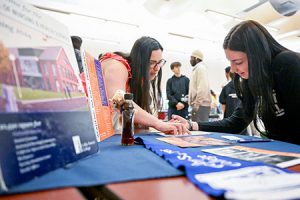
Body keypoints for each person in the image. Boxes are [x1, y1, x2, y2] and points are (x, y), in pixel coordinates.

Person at [171, 20, 300, 144]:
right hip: (281, 150)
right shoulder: (251, 79)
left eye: (238, 62)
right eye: (230, 62)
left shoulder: (287, 63)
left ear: (256, 55)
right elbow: (236, 123)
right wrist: (191, 125)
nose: (233, 69)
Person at [100, 36, 188, 135]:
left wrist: (163, 124)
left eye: (159, 62)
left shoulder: (137, 77)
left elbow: (133, 115)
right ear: (139, 60)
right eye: (151, 63)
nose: (157, 68)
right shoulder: (117, 66)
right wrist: (157, 123)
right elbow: (118, 99)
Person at [189, 50, 211, 121]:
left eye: (191, 58)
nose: (190, 60)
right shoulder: (197, 69)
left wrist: (197, 103)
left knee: (200, 130)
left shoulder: (201, 68)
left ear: (196, 58)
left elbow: (202, 88)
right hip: (199, 105)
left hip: (201, 106)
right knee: (196, 129)